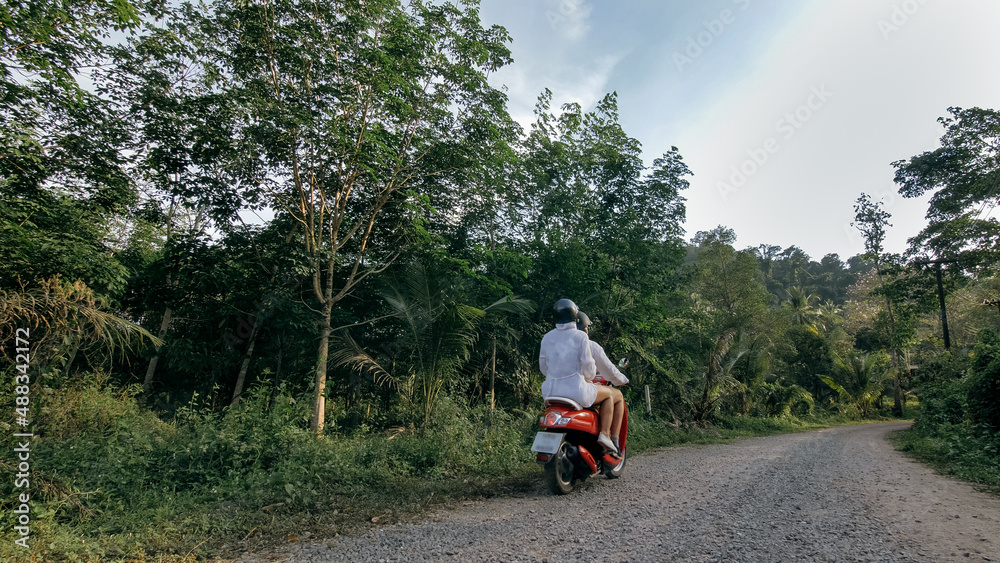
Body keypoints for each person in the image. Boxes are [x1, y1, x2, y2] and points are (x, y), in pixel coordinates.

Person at [539, 299, 618, 453]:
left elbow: (544, 368)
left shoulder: (547, 337)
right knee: (609, 395)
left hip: (550, 392)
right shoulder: (580, 337)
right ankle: (605, 434)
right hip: (576, 391)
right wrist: (588, 377)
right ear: (575, 315)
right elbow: (589, 369)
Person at [577, 311, 628, 453]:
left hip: (557, 391)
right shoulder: (591, 346)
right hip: (581, 389)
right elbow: (610, 371)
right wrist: (623, 380)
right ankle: (610, 436)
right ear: (584, 328)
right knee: (614, 395)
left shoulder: (559, 345)